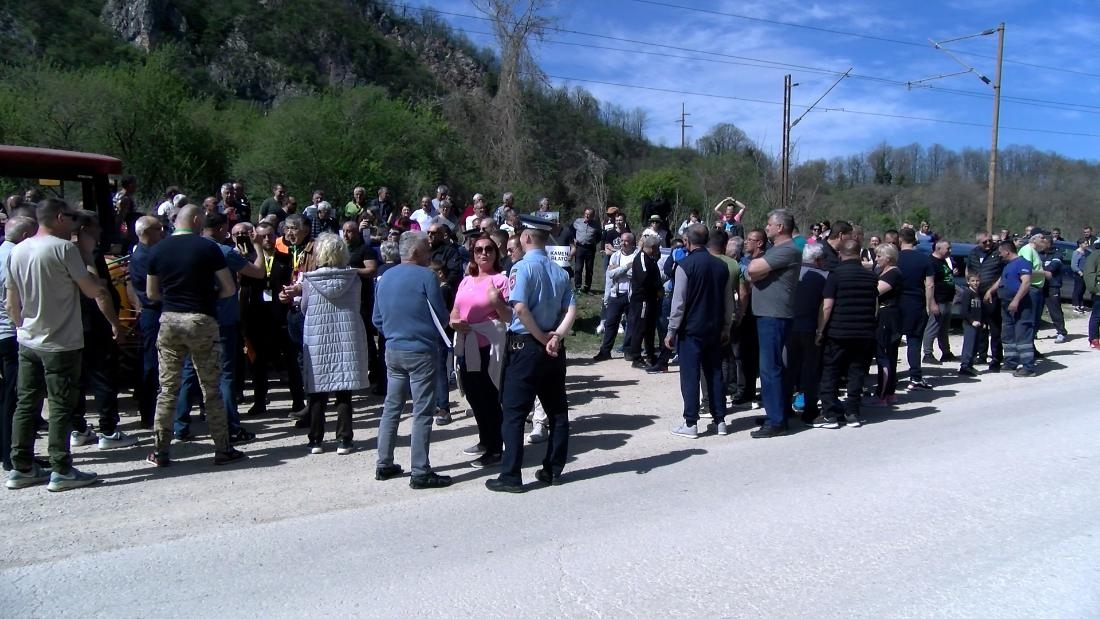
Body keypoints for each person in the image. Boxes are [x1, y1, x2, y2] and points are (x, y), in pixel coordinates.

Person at [6, 199, 123, 491]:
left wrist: (21, 323)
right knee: (60, 405)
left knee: (26, 402)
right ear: (59, 218)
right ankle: (61, 468)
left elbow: (12, 300)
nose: (74, 224)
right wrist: (88, 260)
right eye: (71, 218)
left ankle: (21, 466)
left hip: (28, 338)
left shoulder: (18, 249)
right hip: (60, 339)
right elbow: (92, 289)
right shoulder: (65, 249)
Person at [144, 205, 246, 468]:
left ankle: (160, 450)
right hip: (202, 319)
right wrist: (206, 297)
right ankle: (223, 448)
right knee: (211, 388)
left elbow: (152, 294)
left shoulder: (157, 250)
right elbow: (228, 288)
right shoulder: (207, 248)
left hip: (169, 321)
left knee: (167, 389)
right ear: (197, 220)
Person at [486, 215, 577, 492]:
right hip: (553, 347)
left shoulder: (521, 268)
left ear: (525, 238)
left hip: (526, 345)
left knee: (513, 413)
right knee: (557, 410)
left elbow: (520, 309)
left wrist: (540, 338)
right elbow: (571, 309)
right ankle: (553, 469)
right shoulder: (560, 271)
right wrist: (556, 337)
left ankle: (511, 475)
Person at [172, 213, 261, 445]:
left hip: (192, 317)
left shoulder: (187, 249)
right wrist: (259, 248)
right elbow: (258, 272)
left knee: (190, 372)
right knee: (226, 376)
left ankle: (179, 425)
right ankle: (231, 426)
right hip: (222, 321)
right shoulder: (223, 252)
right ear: (222, 229)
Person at [373, 231, 452, 489]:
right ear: (416, 252)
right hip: (420, 350)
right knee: (422, 411)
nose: (430, 252)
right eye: (427, 248)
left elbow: (376, 319)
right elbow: (440, 316)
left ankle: (384, 463)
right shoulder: (426, 276)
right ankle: (420, 470)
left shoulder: (384, 278)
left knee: (391, 407)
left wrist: (396, 333)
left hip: (393, 349)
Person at [298, 233, 371, 454]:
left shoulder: (310, 279)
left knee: (318, 390)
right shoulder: (353, 278)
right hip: (346, 335)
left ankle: (316, 440)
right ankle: (344, 440)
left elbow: (304, 307)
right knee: (343, 389)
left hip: (319, 336)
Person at [70, 211, 136, 451]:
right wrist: (114, 324)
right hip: (95, 324)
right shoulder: (89, 255)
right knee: (103, 377)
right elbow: (100, 291)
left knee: (76, 379)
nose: (100, 231)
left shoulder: (63, 252)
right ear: (86, 228)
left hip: (72, 324)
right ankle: (108, 430)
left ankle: (78, 428)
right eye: (96, 225)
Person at [666, 224, 734, 438]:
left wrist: (671, 330)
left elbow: (679, 302)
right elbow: (728, 301)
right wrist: (726, 326)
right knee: (714, 373)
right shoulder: (721, 266)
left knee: (690, 375)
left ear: (687, 241)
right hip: (714, 328)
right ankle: (720, 420)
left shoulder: (684, 265)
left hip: (691, 329)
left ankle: (691, 423)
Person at [450, 234, 511, 468]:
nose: (483, 253)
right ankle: (485, 440)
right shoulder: (466, 281)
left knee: (490, 396)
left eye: (488, 249)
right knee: (474, 395)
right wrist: (454, 322)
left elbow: (508, 316)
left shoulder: (501, 280)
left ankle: (496, 448)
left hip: (490, 347)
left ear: (496, 253)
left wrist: (497, 303)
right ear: (473, 254)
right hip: (468, 343)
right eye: (478, 250)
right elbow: (455, 311)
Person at [746, 210, 802, 438]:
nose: (766, 227)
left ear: (780, 227)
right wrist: (758, 271)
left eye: (769, 224)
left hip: (774, 315)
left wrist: (758, 270)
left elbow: (752, 270)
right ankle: (777, 412)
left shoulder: (787, 249)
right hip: (769, 314)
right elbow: (753, 274)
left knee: (770, 368)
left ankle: (777, 420)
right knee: (773, 366)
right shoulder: (777, 251)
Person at [813, 239, 878, 428]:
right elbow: (874, 307)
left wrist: (820, 330)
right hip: (864, 332)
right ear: (860, 254)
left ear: (840, 253)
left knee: (831, 371)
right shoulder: (871, 278)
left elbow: (827, 306)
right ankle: (852, 412)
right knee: (856, 372)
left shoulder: (835, 275)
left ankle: (830, 414)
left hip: (838, 331)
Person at [0, 216, 36, 472]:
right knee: (17, 398)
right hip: (12, 334)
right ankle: (12, 454)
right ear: (25, 237)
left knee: (5, 395)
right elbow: (18, 300)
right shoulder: (18, 257)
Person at [789, 243, 828, 424]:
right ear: (818, 259)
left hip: (789, 325)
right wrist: (821, 330)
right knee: (810, 370)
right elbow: (825, 306)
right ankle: (809, 409)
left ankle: (784, 407)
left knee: (788, 369)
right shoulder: (824, 277)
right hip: (811, 327)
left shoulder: (791, 274)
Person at [896, 228, 935, 390]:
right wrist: (929, 305)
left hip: (895, 303)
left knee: (892, 342)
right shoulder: (924, 259)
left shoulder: (894, 258)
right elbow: (930, 284)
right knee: (914, 341)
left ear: (900, 240)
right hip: (916, 303)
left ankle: (890, 378)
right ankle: (915, 377)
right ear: (915, 240)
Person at [992, 240, 1036, 377]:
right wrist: (991, 291)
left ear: (1007, 251)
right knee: (1008, 333)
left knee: (1022, 333)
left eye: (1000, 252)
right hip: (1006, 304)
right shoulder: (1008, 265)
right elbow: (1002, 280)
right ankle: (1011, 362)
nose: (999, 255)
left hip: (1020, 305)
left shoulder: (1023, 263)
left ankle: (1028, 367)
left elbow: (1026, 282)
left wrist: (1016, 300)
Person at [868, 243, 903, 407]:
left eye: (879, 256)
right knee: (888, 355)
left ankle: (882, 394)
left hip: (887, 316)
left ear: (888, 258)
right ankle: (889, 392)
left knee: (884, 355)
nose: (876, 259)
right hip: (887, 315)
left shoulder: (893, 273)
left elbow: (875, 291)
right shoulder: (885, 272)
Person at [592, 232, 636, 361]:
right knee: (611, 323)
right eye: (622, 240)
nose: (623, 243)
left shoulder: (638, 255)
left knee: (631, 324)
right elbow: (610, 274)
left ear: (632, 242)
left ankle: (628, 351)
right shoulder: (615, 255)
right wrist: (626, 267)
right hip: (616, 295)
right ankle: (605, 351)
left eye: (626, 241)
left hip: (631, 295)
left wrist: (619, 270)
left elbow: (636, 274)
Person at [624, 235, 663, 368]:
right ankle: (636, 357)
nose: (658, 250)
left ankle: (650, 355)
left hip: (651, 299)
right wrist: (656, 288)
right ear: (652, 247)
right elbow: (644, 279)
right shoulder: (640, 258)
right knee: (640, 327)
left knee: (650, 328)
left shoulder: (650, 259)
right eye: (657, 248)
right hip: (642, 299)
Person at [922, 240, 957, 364]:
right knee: (932, 328)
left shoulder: (943, 261)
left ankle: (946, 352)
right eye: (948, 248)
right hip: (938, 300)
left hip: (947, 300)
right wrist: (932, 303)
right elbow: (929, 284)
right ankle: (927, 354)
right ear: (938, 249)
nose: (950, 251)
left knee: (944, 329)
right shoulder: (931, 262)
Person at [956, 274, 986, 376]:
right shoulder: (967, 293)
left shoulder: (979, 294)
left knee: (975, 346)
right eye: (973, 281)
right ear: (968, 282)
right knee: (969, 345)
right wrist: (972, 321)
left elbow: (981, 310)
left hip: (978, 324)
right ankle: (964, 366)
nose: (975, 283)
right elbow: (964, 311)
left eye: (977, 281)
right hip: (969, 324)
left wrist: (983, 322)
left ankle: (970, 365)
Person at [1083, 240, 1100, 349]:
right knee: (1097, 316)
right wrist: (1095, 289)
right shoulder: (1095, 255)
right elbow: (1089, 273)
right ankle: (1093, 339)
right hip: (1099, 291)